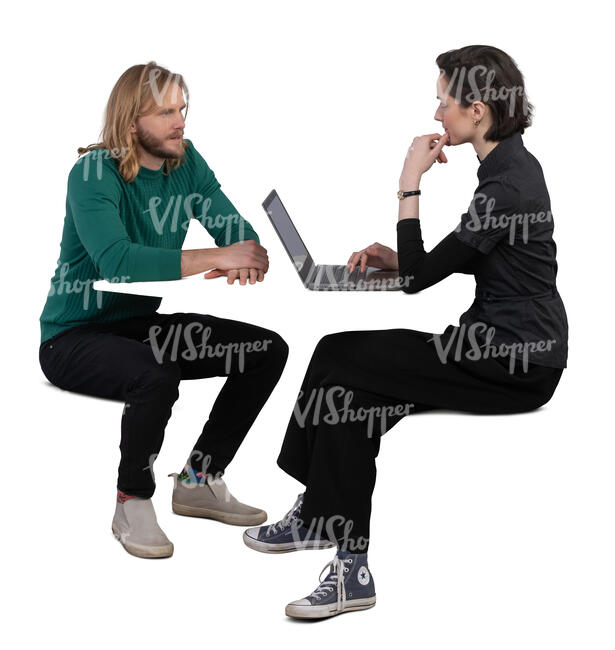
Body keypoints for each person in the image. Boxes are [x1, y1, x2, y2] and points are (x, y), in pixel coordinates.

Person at [242, 44, 568, 619]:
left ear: (478, 111)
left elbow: (420, 281)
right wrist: (398, 257)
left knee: (336, 352)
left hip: (516, 361)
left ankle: (319, 510)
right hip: (494, 347)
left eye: (443, 101)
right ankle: (349, 565)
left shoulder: (507, 183)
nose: (437, 115)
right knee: (352, 396)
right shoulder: (506, 169)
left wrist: (409, 181)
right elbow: (456, 258)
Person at [38, 62, 289, 559]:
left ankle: (199, 480)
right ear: (132, 122)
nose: (181, 122)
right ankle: (131, 498)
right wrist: (219, 257)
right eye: (166, 112)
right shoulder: (91, 173)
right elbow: (118, 261)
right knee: (158, 373)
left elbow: (231, 226)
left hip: (137, 325)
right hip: (72, 335)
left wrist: (247, 251)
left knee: (265, 351)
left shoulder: (185, 161)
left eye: (183, 109)